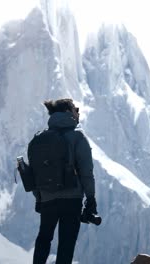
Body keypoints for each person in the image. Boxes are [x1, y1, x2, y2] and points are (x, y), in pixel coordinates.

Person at [31, 98, 97, 264]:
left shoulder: (39, 139)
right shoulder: (77, 137)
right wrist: (90, 199)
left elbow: (35, 173)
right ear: (68, 112)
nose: (78, 111)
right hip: (71, 199)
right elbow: (86, 171)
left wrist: (39, 198)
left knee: (44, 239)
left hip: (47, 199)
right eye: (76, 108)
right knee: (66, 244)